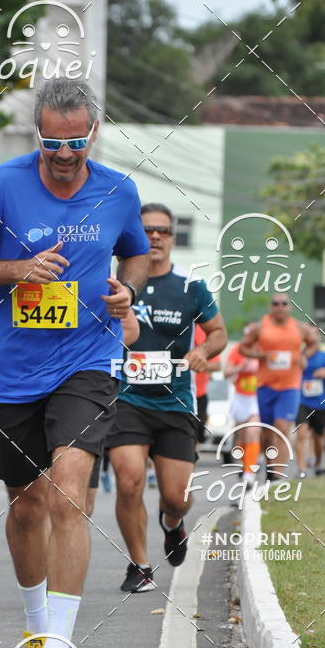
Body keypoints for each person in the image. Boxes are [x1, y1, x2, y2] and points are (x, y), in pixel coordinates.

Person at [0, 77, 150, 648]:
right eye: (53, 141)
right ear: (39, 134)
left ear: (93, 134)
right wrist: (15, 270)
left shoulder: (119, 190)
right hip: (9, 371)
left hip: (88, 361)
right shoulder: (1, 185)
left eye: (77, 141)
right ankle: (36, 634)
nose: (64, 154)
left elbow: (134, 252)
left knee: (66, 494)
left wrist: (128, 290)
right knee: (26, 505)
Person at [106, 204, 227, 593]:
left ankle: (172, 525)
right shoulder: (113, 286)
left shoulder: (192, 287)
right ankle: (139, 565)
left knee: (176, 497)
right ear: (135, 239)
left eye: (163, 230)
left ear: (173, 239)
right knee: (129, 482)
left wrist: (203, 353)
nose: (155, 237)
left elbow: (219, 332)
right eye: (147, 231)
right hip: (127, 400)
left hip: (175, 404)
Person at [239, 296, 312, 479]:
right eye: (275, 303)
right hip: (265, 386)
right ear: (270, 306)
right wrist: (259, 355)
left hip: (290, 387)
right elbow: (243, 348)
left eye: (284, 303)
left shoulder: (300, 328)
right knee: (267, 431)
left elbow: (313, 343)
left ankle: (277, 475)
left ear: (290, 307)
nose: (280, 307)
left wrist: (304, 355)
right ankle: (269, 465)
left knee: (281, 427)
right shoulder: (260, 327)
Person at [294, 327, 325, 476]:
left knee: (319, 437)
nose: (312, 335)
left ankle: (317, 464)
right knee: (301, 434)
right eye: (309, 332)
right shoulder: (297, 353)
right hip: (301, 401)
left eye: (315, 333)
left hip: (321, 402)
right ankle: (301, 469)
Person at [224, 337, 260, 486]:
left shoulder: (263, 350)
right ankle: (246, 465)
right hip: (241, 397)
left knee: (253, 430)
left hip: (257, 397)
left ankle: (249, 472)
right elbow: (226, 372)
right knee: (243, 435)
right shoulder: (237, 350)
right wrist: (241, 367)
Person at [192, 324, 221, 453]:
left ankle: (191, 471)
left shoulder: (203, 331)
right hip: (175, 392)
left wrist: (195, 363)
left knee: (196, 436)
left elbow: (217, 365)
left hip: (199, 394)